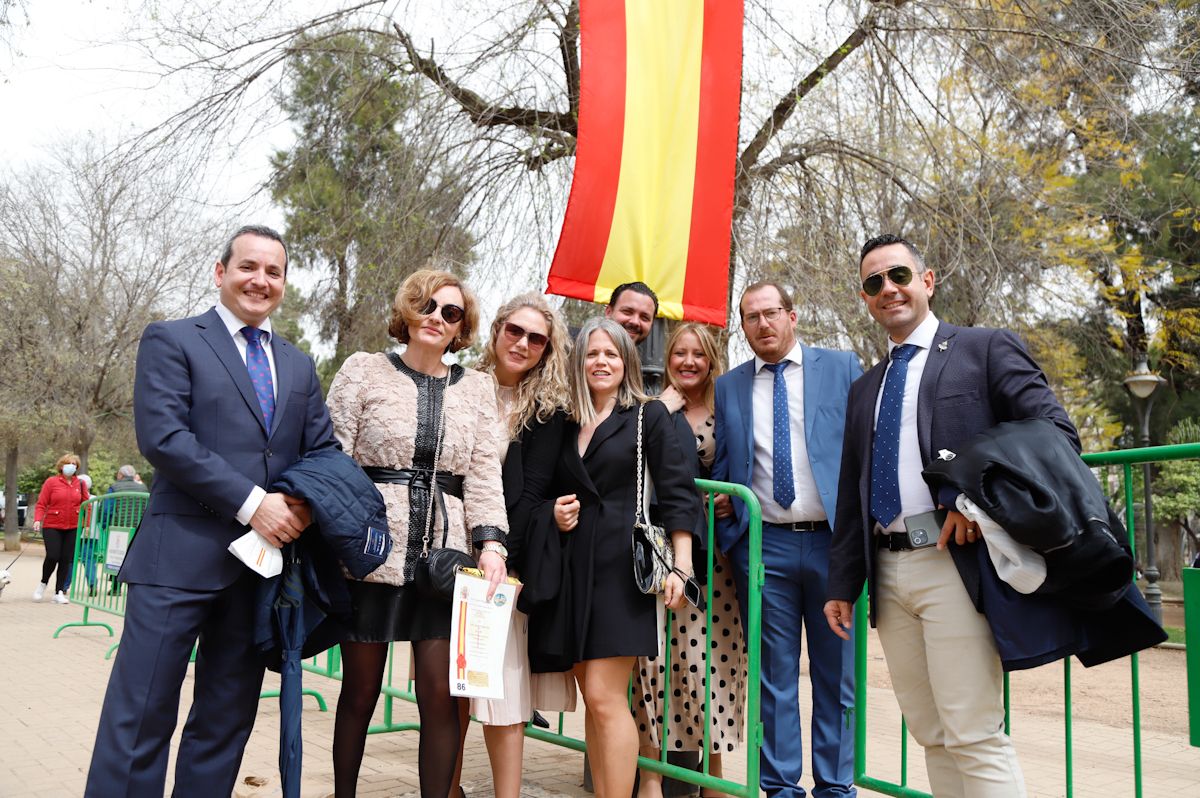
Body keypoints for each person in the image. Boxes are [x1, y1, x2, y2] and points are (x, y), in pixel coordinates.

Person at [86, 225, 338, 797]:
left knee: (224, 723)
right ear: (221, 272)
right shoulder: (172, 339)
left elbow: (320, 450)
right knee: (141, 718)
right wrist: (255, 506)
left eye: (274, 272)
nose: (261, 280)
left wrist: (298, 504)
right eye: (249, 267)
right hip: (176, 563)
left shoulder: (297, 365)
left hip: (258, 572)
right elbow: (165, 438)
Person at [824, 234, 1080, 798]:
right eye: (873, 284)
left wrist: (975, 502)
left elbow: (1054, 436)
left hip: (956, 565)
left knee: (973, 733)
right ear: (865, 299)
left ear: (928, 280)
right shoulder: (866, 388)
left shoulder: (983, 349)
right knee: (932, 735)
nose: (887, 289)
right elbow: (851, 493)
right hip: (888, 575)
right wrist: (843, 581)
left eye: (898, 276)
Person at [325, 268, 509, 798]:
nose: (437, 317)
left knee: (440, 696)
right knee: (359, 692)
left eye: (451, 312)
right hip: (371, 553)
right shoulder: (363, 371)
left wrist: (491, 543)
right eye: (427, 305)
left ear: (461, 327)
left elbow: (482, 473)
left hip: (443, 565)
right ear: (407, 311)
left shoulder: (475, 388)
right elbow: (334, 456)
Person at [712, 282, 861, 798]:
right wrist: (730, 508)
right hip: (763, 548)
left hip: (831, 544)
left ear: (792, 316)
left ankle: (836, 787)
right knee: (773, 678)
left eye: (771, 313)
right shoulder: (729, 386)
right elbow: (731, 461)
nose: (762, 325)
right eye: (750, 317)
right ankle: (780, 789)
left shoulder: (840, 367)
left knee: (836, 673)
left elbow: (862, 445)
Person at [549, 316, 699, 798]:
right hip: (572, 568)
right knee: (593, 702)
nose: (601, 362)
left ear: (627, 361)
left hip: (624, 570)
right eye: (592, 353)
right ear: (579, 361)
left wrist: (682, 565)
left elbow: (678, 493)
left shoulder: (646, 415)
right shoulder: (565, 420)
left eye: (611, 354)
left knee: (604, 694)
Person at [470, 292, 577, 798]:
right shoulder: (459, 386)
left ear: (547, 348)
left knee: (504, 689)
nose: (524, 343)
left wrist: (499, 546)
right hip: (447, 548)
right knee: (444, 683)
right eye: (515, 330)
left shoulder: (547, 410)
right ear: (496, 330)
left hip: (507, 558)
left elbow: (533, 489)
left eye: (537, 337)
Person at [633, 322, 746, 798]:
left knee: (709, 667)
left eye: (698, 353)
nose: (688, 362)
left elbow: (748, 467)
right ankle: (652, 777)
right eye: (679, 352)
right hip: (665, 553)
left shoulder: (731, 409)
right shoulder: (650, 407)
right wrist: (659, 411)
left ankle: (713, 777)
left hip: (717, 561)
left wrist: (733, 499)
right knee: (653, 665)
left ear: (712, 357)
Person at [32, 453, 90, 604]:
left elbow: (86, 505)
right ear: (61, 465)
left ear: (77, 467)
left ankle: (59, 592)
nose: (71, 466)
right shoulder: (51, 482)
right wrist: (37, 520)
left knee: (66, 559)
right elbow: (41, 504)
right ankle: (43, 584)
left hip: (73, 526)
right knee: (53, 556)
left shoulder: (81, 484)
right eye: (68, 463)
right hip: (52, 525)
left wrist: (87, 524)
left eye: (74, 464)